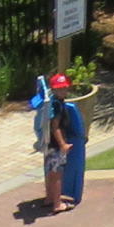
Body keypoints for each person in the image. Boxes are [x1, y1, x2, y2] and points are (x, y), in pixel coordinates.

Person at [37, 74, 84, 215]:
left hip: (48, 143)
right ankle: (57, 204)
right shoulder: (58, 105)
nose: (64, 91)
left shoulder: (51, 102)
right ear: (54, 89)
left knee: (51, 172)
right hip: (56, 146)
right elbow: (55, 126)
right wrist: (63, 144)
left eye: (65, 88)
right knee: (57, 174)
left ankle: (49, 197)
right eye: (60, 89)